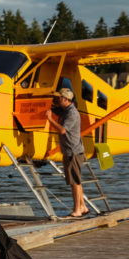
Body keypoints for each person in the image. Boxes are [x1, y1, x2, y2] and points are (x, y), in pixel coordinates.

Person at [45, 88, 88, 218]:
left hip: (72, 152)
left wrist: (49, 119)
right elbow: (55, 110)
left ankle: (77, 211)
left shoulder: (72, 114)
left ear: (65, 99)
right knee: (77, 181)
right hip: (73, 151)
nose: (56, 100)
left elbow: (63, 130)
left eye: (59, 98)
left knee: (74, 182)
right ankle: (83, 207)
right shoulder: (65, 110)